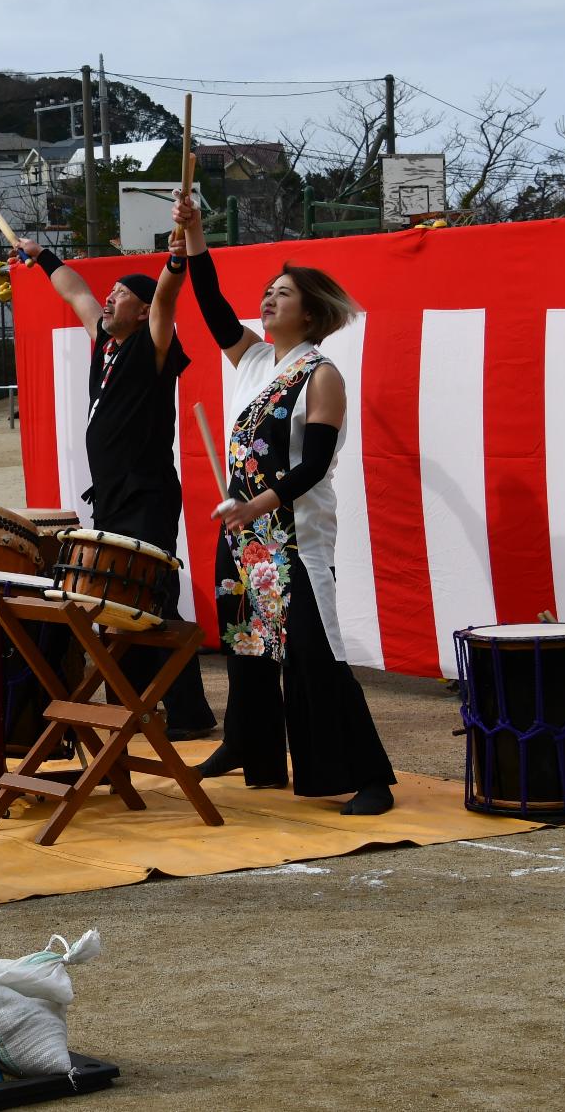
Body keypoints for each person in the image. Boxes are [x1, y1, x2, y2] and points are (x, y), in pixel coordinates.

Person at [173, 194, 396, 815]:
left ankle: (366, 775)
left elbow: (315, 465)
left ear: (311, 311)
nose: (269, 300)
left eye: (283, 294)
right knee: (246, 648)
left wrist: (257, 504)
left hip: (293, 535)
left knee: (312, 653)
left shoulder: (320, 374)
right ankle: (250, 748)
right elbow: (212, 304)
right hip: (245, 532)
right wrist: (195, 234)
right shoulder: (253, 360)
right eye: (267, 292)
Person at [10, 236, 216, 738]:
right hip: (112, 496)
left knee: (152, 599)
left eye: (122, 293)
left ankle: (188, 714)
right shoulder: (105, 343)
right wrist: (42, 258)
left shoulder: (154, 345)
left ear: (142, 309)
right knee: (118, 600)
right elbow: (77, 292)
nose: (109, 297)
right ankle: (137, 705)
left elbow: (167, 297)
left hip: (146, 493)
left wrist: (172, 260)